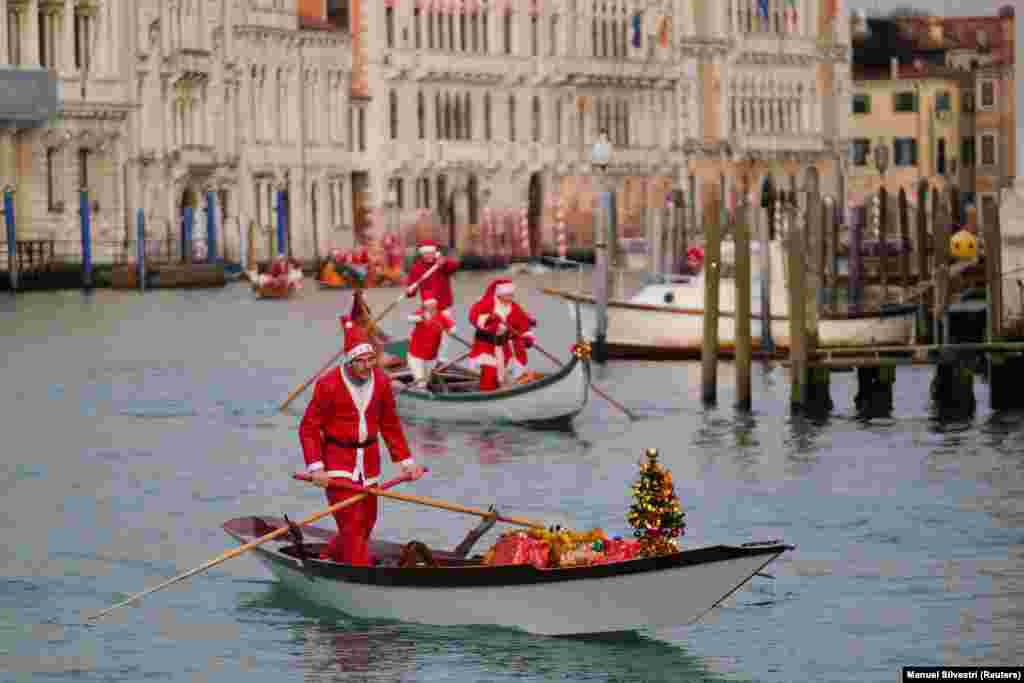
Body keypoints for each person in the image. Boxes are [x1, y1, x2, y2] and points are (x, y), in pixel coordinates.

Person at [299, 322, 426, 566]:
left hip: (369, 463)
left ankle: (330, 556)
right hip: (337, 463)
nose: (369, 366)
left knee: (366, 524)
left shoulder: (381, 382)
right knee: (354, 525)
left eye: (372, 360)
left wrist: (407, 463)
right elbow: (309, 427)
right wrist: (316, 467)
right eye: (363, 361)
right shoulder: (328, 384)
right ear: (350, 361)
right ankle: (364, 574)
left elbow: (390, 424)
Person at [467, 278, 534, 391]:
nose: (511, 298)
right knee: (490, 371)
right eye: (508, 295)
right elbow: (473, 317)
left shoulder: (514, 307)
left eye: (512, 295)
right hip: (486, 345)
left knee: (506, 369)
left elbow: (524, 323)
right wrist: (489, 319)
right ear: (499, 295)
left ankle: (503, 386)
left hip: (504, 346)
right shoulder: (485, 303)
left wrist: (527, 337)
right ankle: (486, 393)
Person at [405, 239, 460, 361]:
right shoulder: (416, 268)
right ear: (422, 254)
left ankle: (442, 358)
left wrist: (444, 263)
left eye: (431, 253)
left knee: (446, 334)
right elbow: (411, 291)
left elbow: (455, 267)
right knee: (426, 333)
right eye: (426, 254)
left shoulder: (442, 264)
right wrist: (409, 291)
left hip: (444, 305)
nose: (429, 256)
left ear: (435, 253)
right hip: (427, 307)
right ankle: (423, 356)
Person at [407, 298, 456, 387]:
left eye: (434, 307)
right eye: (429, 307)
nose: (432, 309)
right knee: (420, 382)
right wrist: (421, 318)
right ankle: (420, 389)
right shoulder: (420, 314)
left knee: (427, 381)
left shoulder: (441, 317)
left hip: (431, 357)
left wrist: (452, 331)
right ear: (426, 307)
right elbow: (409, 318)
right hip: (416, 356)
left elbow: (452, 327)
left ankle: (424, 389)